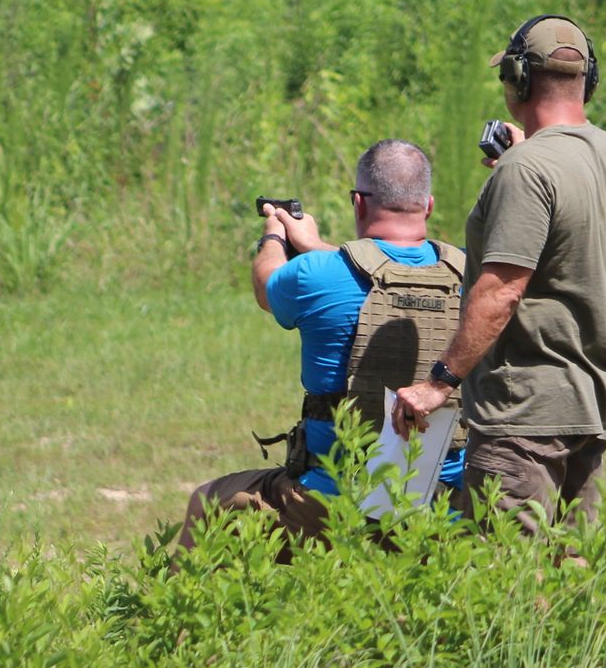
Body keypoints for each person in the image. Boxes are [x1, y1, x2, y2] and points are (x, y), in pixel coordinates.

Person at [391, 15, 606, 535]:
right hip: (588, 401)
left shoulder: (526, 172)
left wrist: (439, 385)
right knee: (568, 570)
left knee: (502, 579)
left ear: (518, 78)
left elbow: (502, 291)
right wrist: (524, 156)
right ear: (587, 80)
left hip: (523, 414)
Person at [181, 139, 467, 556]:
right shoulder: (468, 273)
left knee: (209, 503)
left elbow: (266, 285)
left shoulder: (316, 274)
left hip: (331, 500)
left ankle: (189, 621)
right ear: (427, 205)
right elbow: (395, 271)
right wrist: (315, 243)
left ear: (358, 203)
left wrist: (275, 238)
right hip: (442, 500)